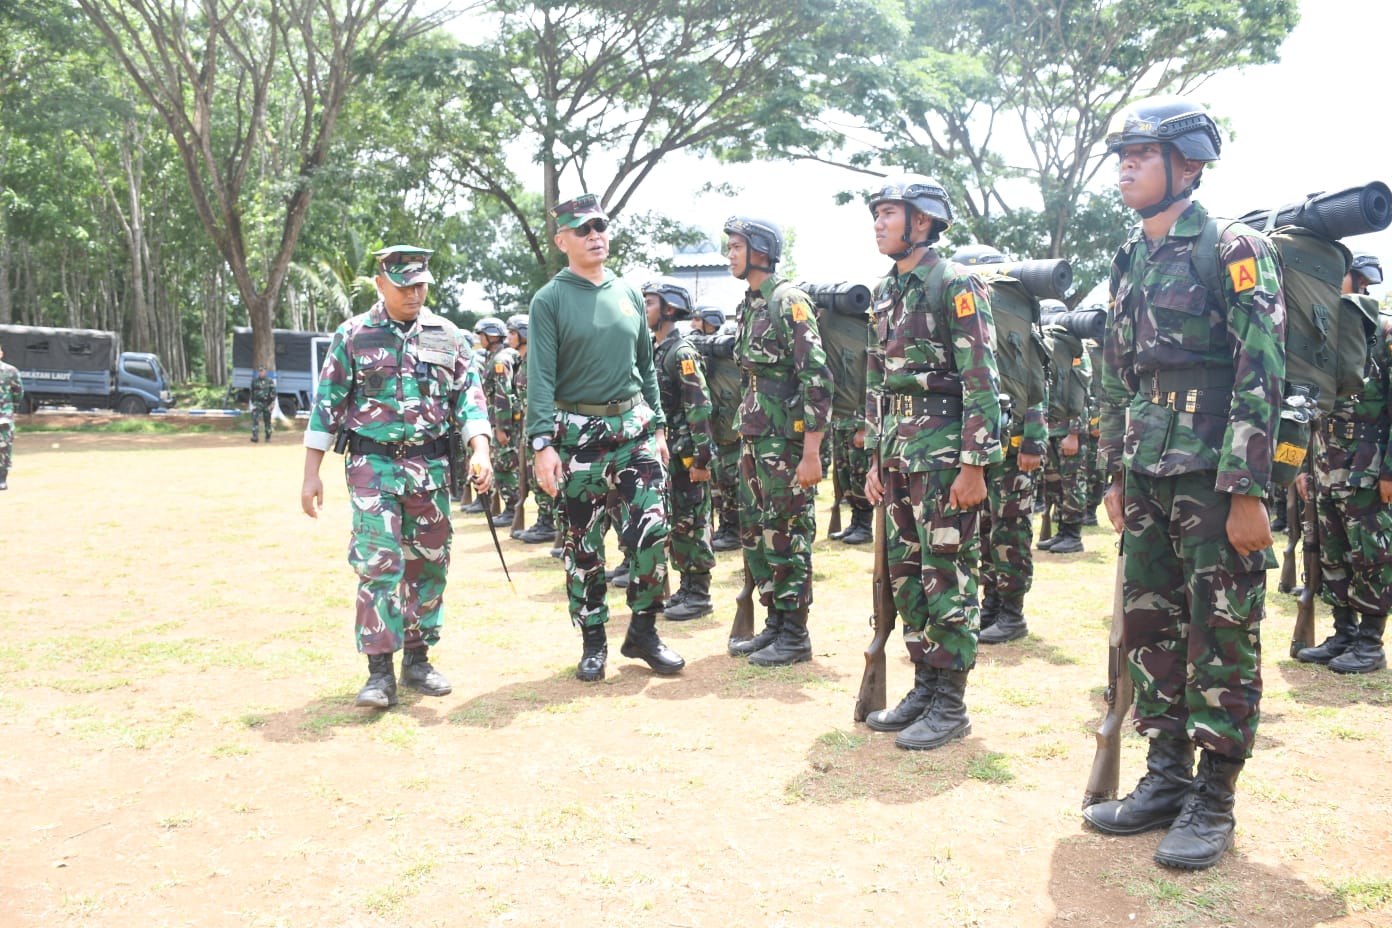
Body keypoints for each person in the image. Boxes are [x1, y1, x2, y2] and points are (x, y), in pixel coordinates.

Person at [1081, 97, 1285, 871]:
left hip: (1211, 475)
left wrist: (1247, 489)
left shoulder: (1234, 248)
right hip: (1147, 471)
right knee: (1150, 628)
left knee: (1221, 633)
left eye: (1143, 152)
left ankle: (1214, 798)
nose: (1126, 165)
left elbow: (1260, 372)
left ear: (1189, 164)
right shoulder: (1129, 256)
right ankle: (1164, 778)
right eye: (1123, 154)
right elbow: (1116, 375)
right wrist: (1112, 468)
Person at [300, 244, 493, 709]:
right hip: (373, 467)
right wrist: (311, 474)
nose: (415, 293)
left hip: (430, 467)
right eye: (405, 285)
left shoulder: (448, 335)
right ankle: (380, 672)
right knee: (379, 562)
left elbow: (469, 398)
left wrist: (480, 450)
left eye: (421, 284)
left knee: (428, 563)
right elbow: (327, 404)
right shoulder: (354, 335)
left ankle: (418, 660)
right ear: (381, 284)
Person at [859, 176, 1002, 749]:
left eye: (887, 213)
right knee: (907, 578)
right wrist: (875, 456)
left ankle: (951, 701)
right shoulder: (884, 292)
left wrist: (975, 465)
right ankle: (924, 683)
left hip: (944, 455)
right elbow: (876, 380)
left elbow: (982, 377)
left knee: (948, 571)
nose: (877, 223)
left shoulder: (956, 283)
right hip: (897, 453)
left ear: (921, 221)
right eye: (876, 214)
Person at [526, 193, 685, 682]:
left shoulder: (630, 293)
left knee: (652, 532)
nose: (595, 235)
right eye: (583, 229)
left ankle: (642, 630)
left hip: (634, 430)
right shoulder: (549, 300)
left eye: (600, 226)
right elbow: (541, 377)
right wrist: (542, 444)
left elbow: (646, 367)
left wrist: (657, 425)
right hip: (578, 436)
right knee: (584, 543)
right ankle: (593, 639)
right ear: (562, 242)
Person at [724, 215, 833, 666]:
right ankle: (774, 622)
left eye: (735, 246)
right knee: (756, 532)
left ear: (760, 251)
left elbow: (817, 379)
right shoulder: (749, 304)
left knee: (788, 533)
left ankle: (795, 632)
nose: (728, 254)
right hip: (753, 436)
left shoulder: (789, 301)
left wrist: (811, 452)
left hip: (786, 445)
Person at [1294, 252, 1390, 674]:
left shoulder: (1383, 329)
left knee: (1371, 551)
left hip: (1366, 462)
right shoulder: (1316, 327)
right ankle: (1343, 633)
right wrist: (1299, 464)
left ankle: (1370, 643)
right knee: (1331, 549)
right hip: (1321, 457)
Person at [952, 243, 1047, 645]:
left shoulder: (1019, 311)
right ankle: (990, 605)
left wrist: (1032, 440)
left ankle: (1011, 612)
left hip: (1013, 442)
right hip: (977, 438)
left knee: (1010, 527)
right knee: (984, 527)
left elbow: (1037, 382)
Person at [644, 277, 718, 621]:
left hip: (687, 454)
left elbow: (699, 407)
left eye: (650, 302)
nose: (644, 309)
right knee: (677, 522)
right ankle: (687, 587)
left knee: (693, 520)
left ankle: (699, 593)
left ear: (669, 308)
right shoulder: (658, 350)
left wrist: (702, 457)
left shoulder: (682, 352)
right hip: (668, 454)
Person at [691, 306, 744, 552]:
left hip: (731, 423)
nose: (693, 324)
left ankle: (734, 529)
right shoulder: (703, 348)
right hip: (717, 423)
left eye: (698, 319)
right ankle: (725, 527)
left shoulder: (727, 345)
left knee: (731, 478)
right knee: (719, 481)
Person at [508, 314, 556, 545]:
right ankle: (544, 519)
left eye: (513, 332)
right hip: (530, 425)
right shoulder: (524, 359)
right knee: (531, 476)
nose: (509, 337)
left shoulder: (538, 358)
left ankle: (549, 523)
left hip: (543, 426)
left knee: (543, 476)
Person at [479, 315, 522, 528]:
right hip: (496, 419)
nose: (480, 339)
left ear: (492, 336)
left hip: (502, 422)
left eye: (482, 335)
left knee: (505, 464)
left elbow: (503, 393)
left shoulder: (500, 359)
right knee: (501, 464)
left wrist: (501, 427)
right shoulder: (497, 356)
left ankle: (513, 507)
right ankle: (510, 507)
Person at [0, 341, 23, 490]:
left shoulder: (10, 371)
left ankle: (2, 479)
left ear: (1, 353)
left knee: (4, 447)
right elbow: (18, 393)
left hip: (3, 417)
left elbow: (18, 392)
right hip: (5, 414)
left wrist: (10, 409)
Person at [249, 364, 277, 443]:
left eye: (263, 371)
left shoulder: (270, 381)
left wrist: (272, 403)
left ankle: (268, 437)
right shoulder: (254, 381)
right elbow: (251, 392)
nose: (261, 373)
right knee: (255, 418)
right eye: (260, 371)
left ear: (265, 372)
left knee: (267, 420)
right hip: (257, 403)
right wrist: (252, 403)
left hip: (267, 403)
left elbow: (274, 392)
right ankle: (255, 436)